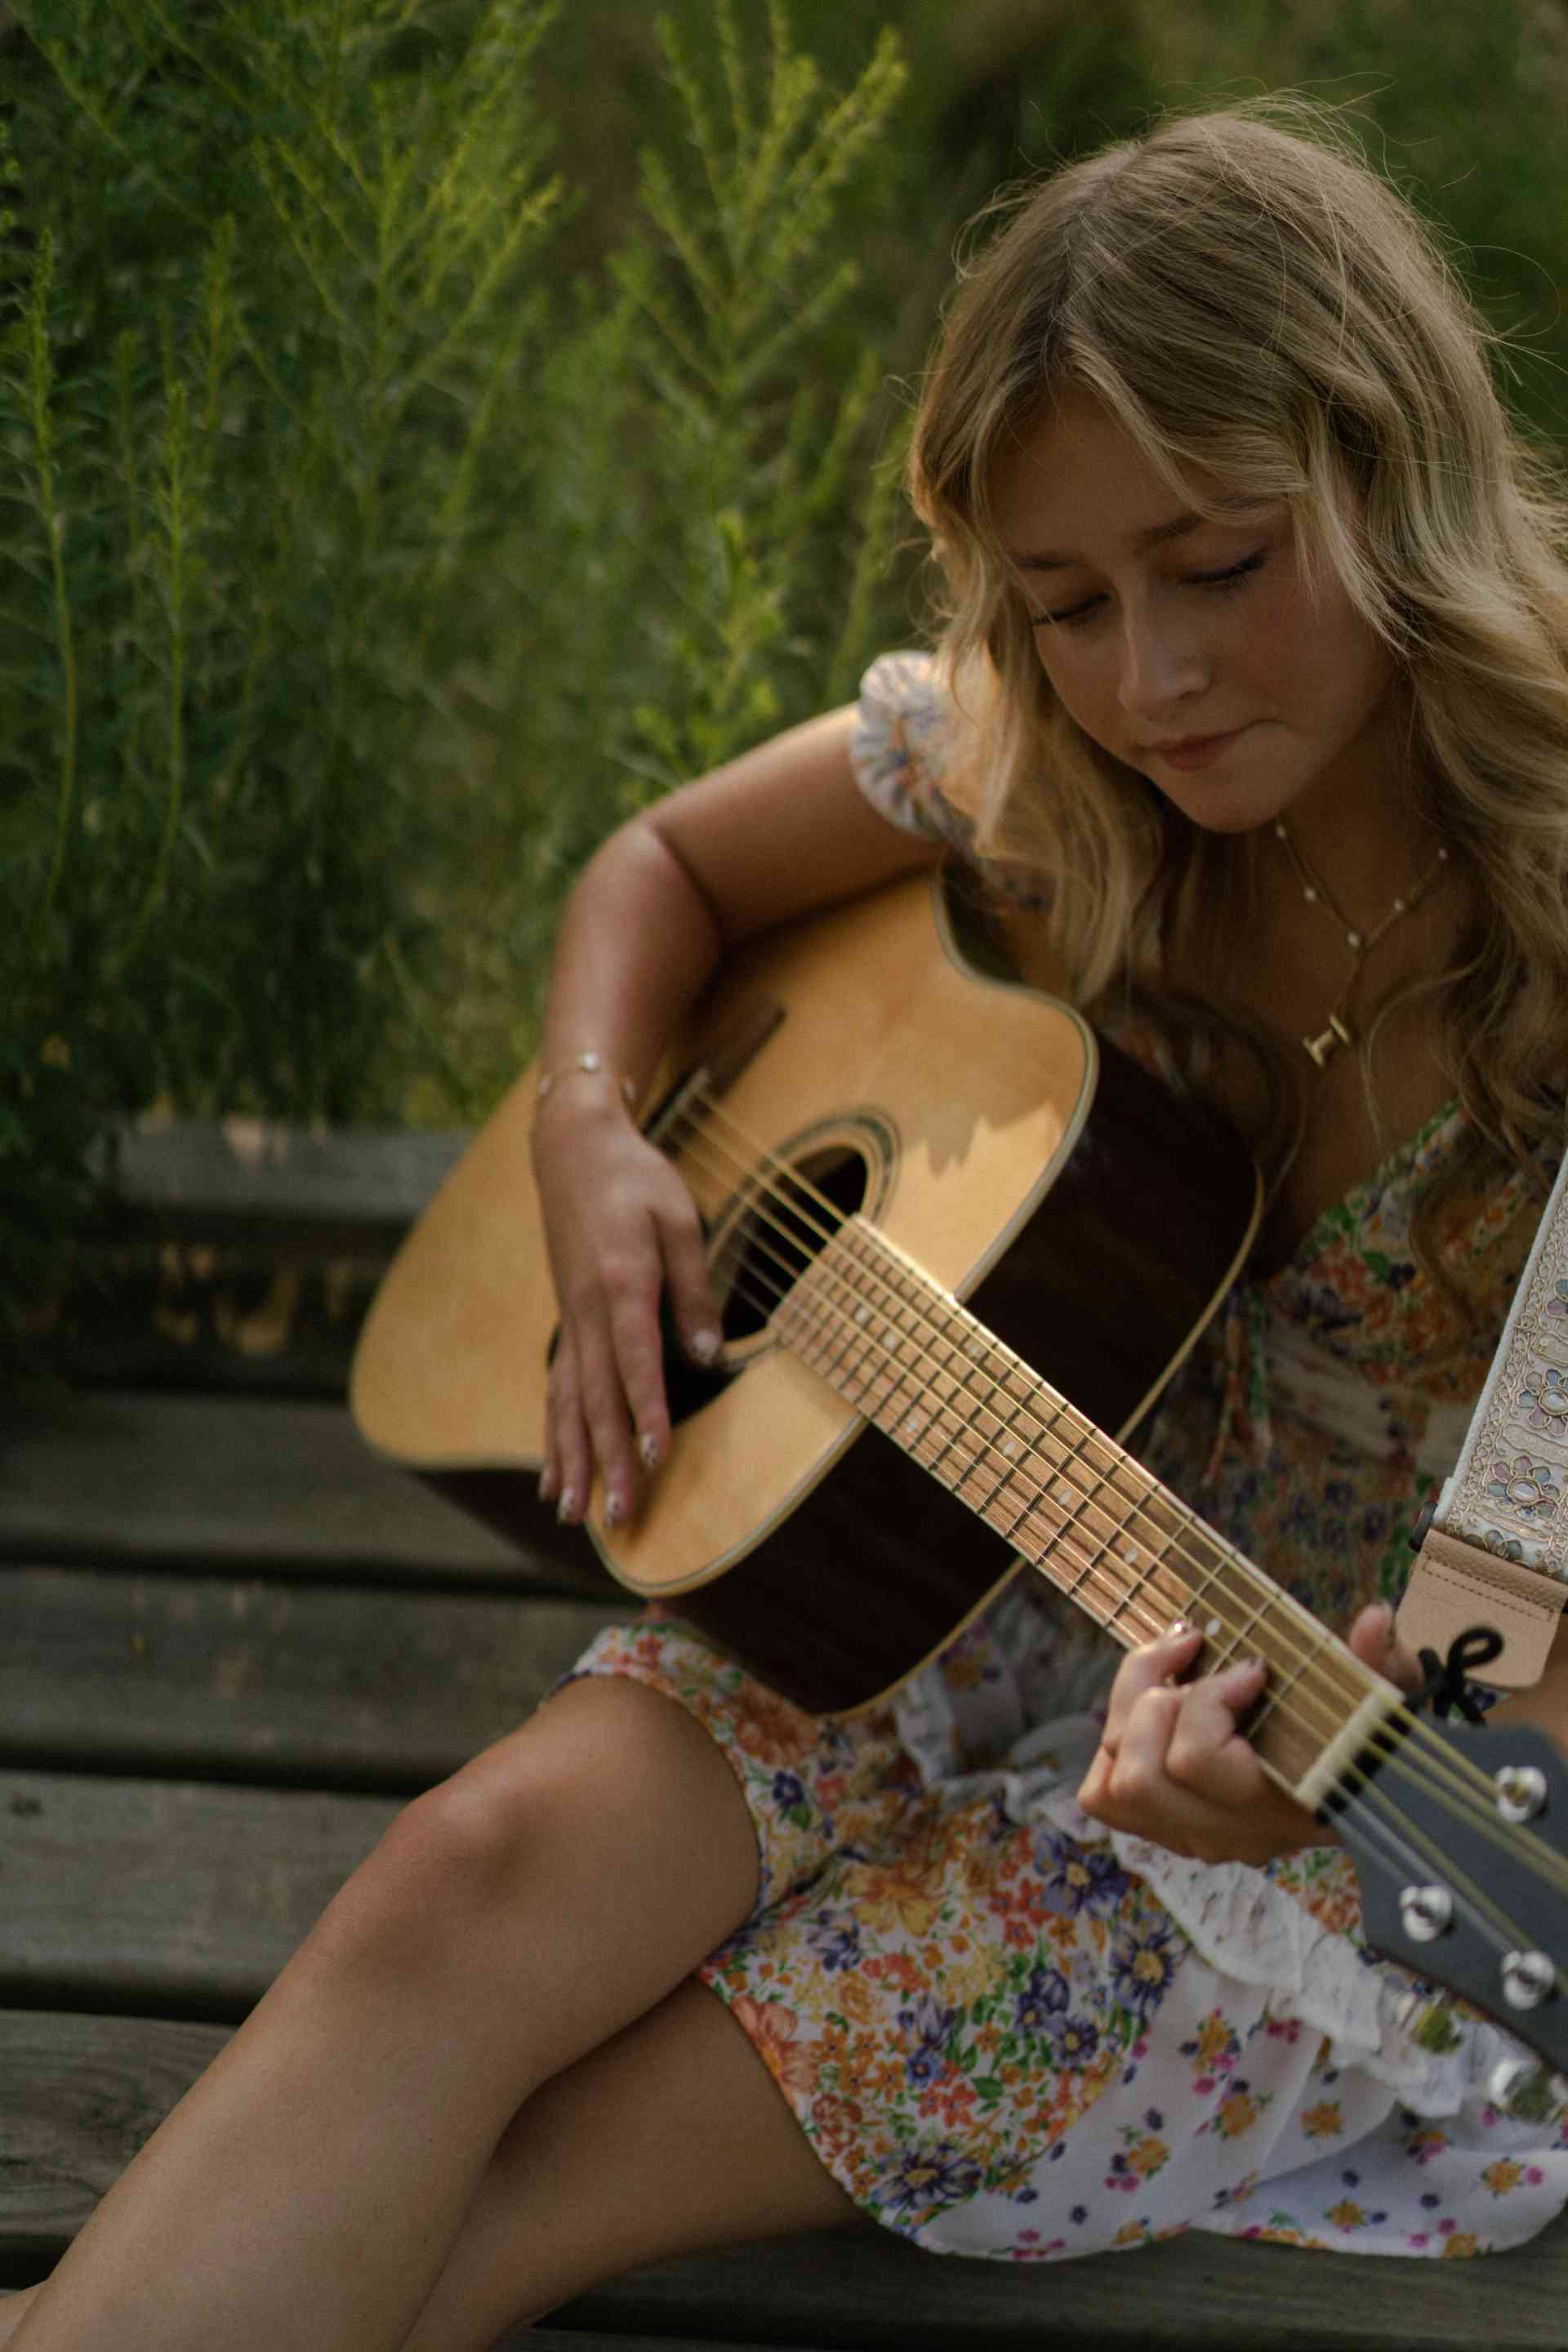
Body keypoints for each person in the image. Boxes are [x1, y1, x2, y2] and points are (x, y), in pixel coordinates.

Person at [9, 93, 1568, 2352]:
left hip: (1323, 1822)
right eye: (1065, 603)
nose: (1148, 680)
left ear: (1391, 468)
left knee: (553, 2166)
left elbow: (1509, 1720)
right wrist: (591, 1131)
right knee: (465, 1889)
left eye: (1220, 566)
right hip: (940, 1553)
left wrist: (1287, 1803)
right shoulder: (1058, 759)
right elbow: (665, 869)